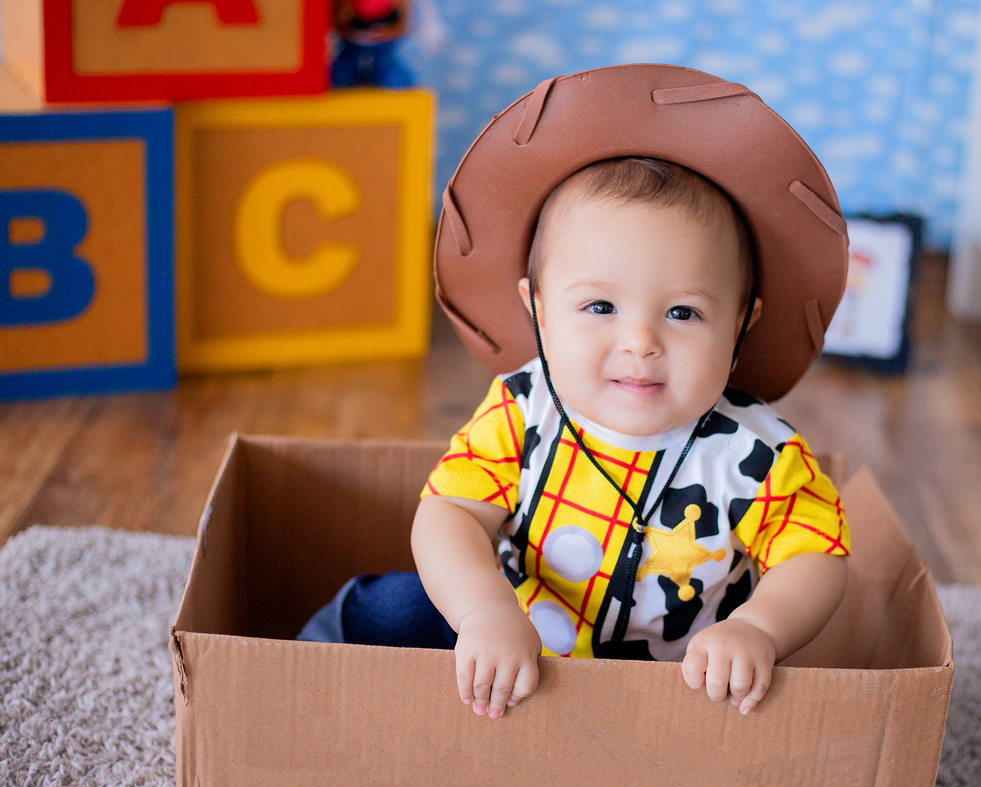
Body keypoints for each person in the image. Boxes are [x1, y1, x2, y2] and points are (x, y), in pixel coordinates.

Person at [300, 64, 853, 722]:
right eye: (599, 306)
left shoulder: (758, 455)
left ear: (740, 324)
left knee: (751, 705)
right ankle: (302, 687)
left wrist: (759, 628)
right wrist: (483, 612)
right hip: (508, 649)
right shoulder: (523, 409)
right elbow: (450, 513)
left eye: (682, 314)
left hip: (669, 687)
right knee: (392, 605)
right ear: (537, 310)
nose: (640, 341)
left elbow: (815, 556)